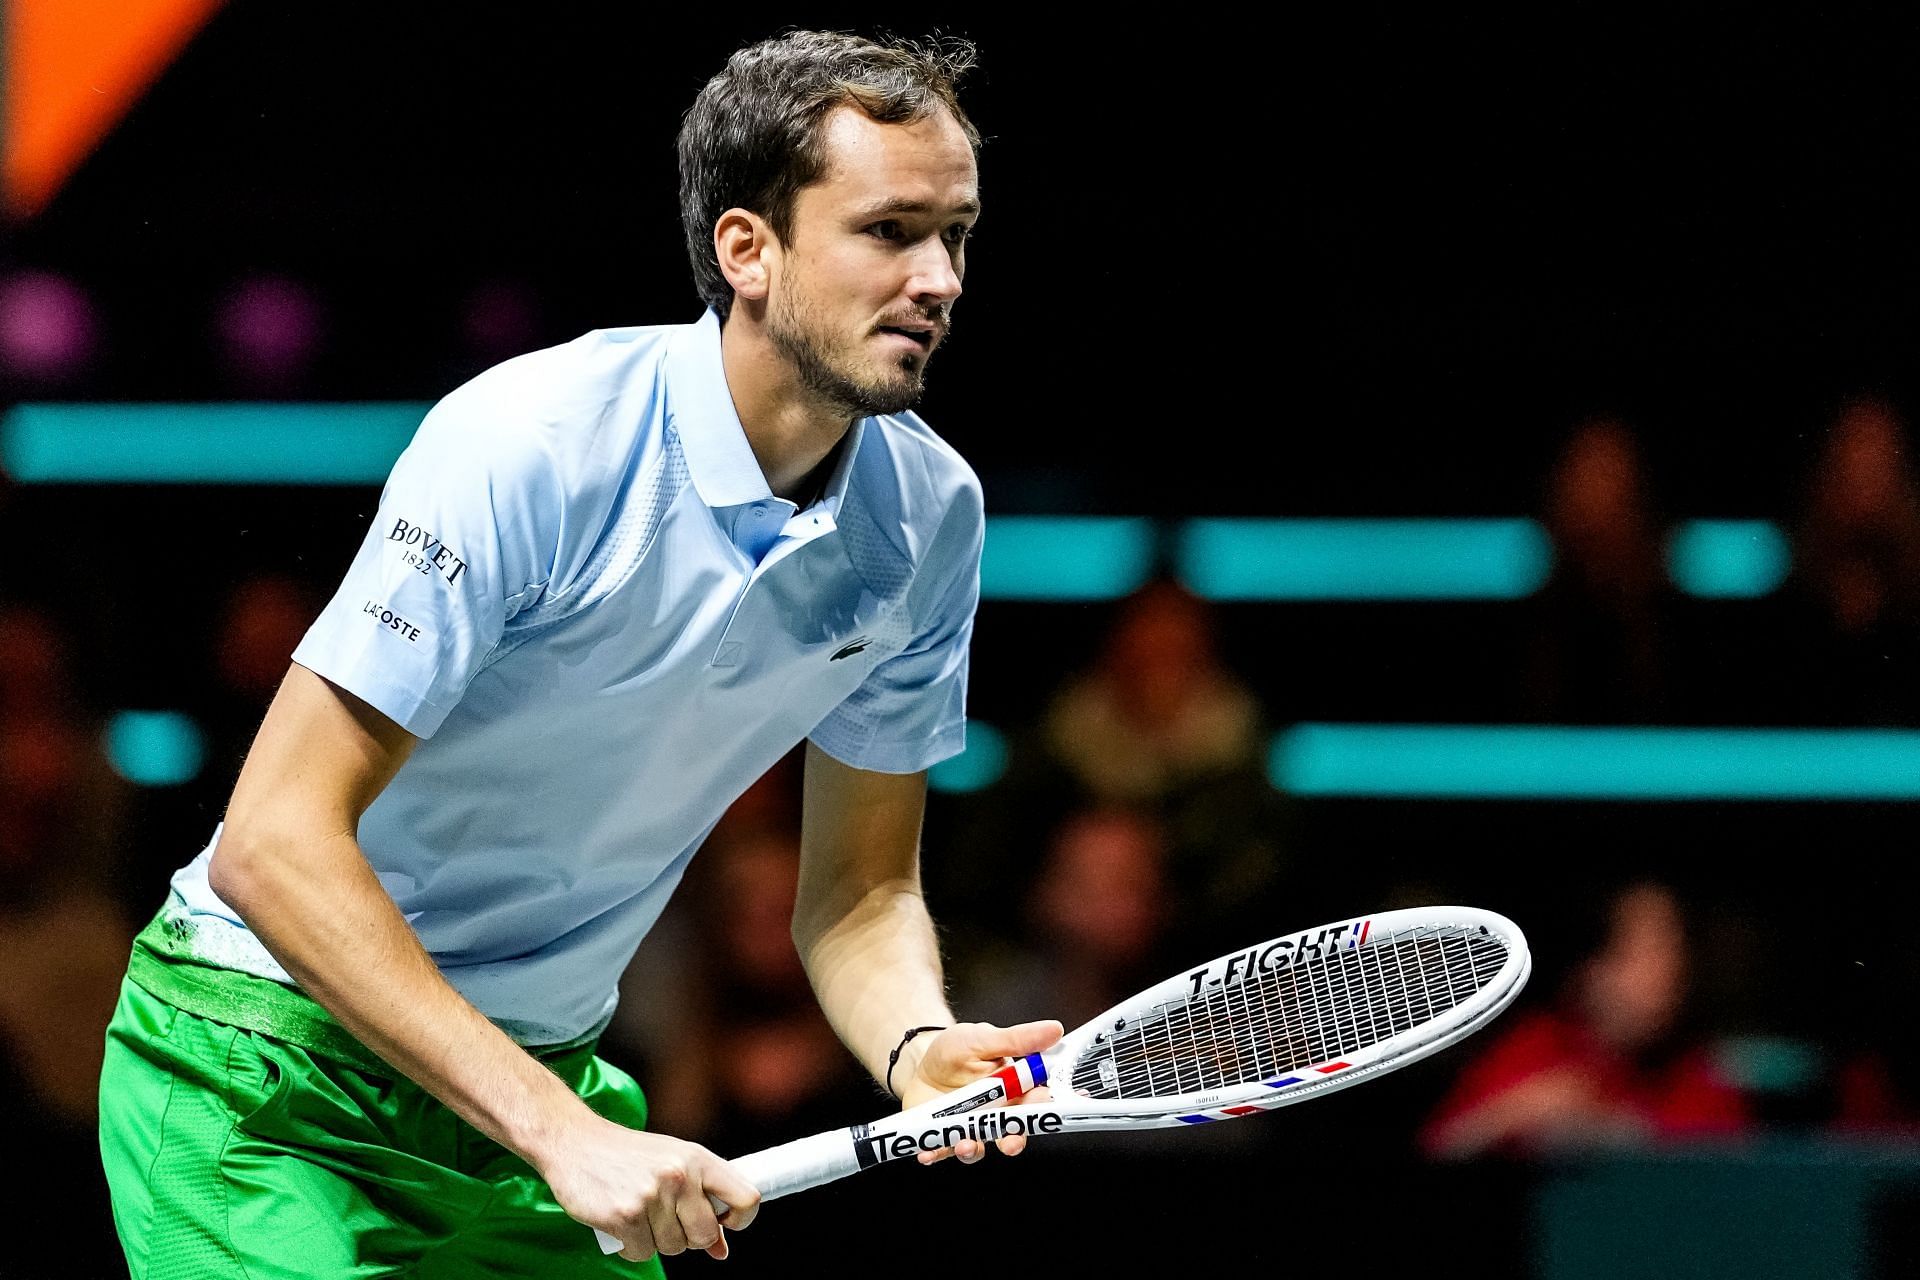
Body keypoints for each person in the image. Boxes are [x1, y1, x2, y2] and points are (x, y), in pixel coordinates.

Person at [98, 30, 1061, 1277]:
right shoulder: (535, 444)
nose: (939, 278)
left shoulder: (931, 518)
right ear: (745, 249)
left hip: (532, 1090)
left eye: (957, 234)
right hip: (263, 1075)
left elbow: (860, 892)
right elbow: (273, 846)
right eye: (889, 231)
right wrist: (563, 1132)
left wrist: (915, 1043)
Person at [1417, 879, 1750, 1160]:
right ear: (1591, 969)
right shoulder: (1535, 1045)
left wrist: (1618, 1129)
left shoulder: (1700, 1073)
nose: (1668, 971)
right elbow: (1441, 1149)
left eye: (1675, 949)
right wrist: (1516, 1112)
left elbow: (1730, 1184)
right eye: (1644, 951)